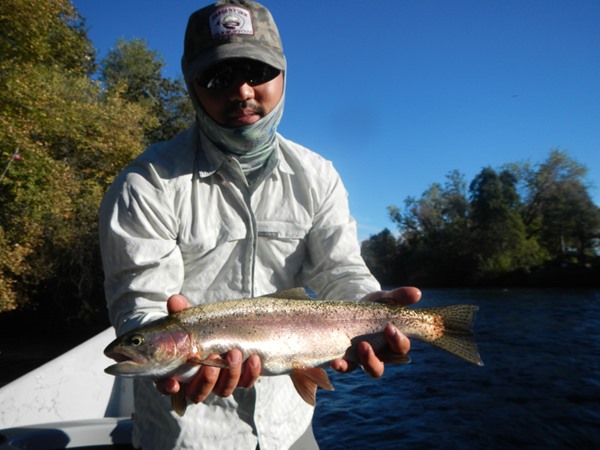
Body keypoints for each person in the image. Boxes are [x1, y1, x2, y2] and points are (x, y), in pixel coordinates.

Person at [99, 1, 421, 448]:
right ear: (192, 86)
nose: (243, 91)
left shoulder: (319, 176)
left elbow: (339, 271)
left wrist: (373, 308)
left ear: (284, 76)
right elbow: (141, 301)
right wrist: (169, 358)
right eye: (219, 77)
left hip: (289, 428)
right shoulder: (145, 183)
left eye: (257, 71)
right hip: (185, 434)